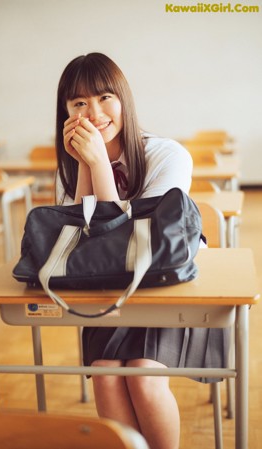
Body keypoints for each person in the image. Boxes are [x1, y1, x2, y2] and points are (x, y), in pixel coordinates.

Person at [55, 52, 229, 449]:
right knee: (106, 376)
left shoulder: (167, 155)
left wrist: (98, 163)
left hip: (166, 282)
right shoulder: (68, 168)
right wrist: (84, 165)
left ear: (124, 99)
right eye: (79, 103)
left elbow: (141, 241)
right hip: (109, 289)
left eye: (104, 97)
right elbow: (79, 245)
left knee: (144, 379)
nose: (94, 112)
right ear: (65, 111)